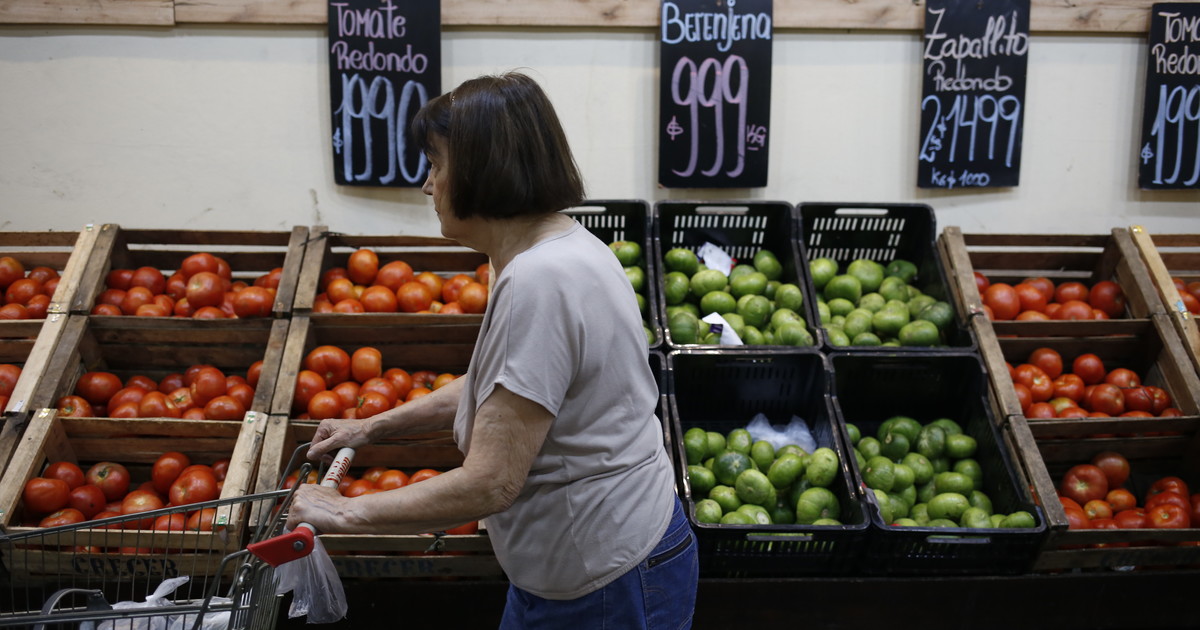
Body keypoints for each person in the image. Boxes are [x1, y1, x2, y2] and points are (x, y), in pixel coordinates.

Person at [286, 71, 698, 629]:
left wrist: (345, 510)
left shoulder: (542, 280)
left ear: (482, 169)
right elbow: (502, 386)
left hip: (604, 579)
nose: (428, 185)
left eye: (436, 163)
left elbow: (491, 482)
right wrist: (373, 428)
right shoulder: (557, 247)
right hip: (588, 562)